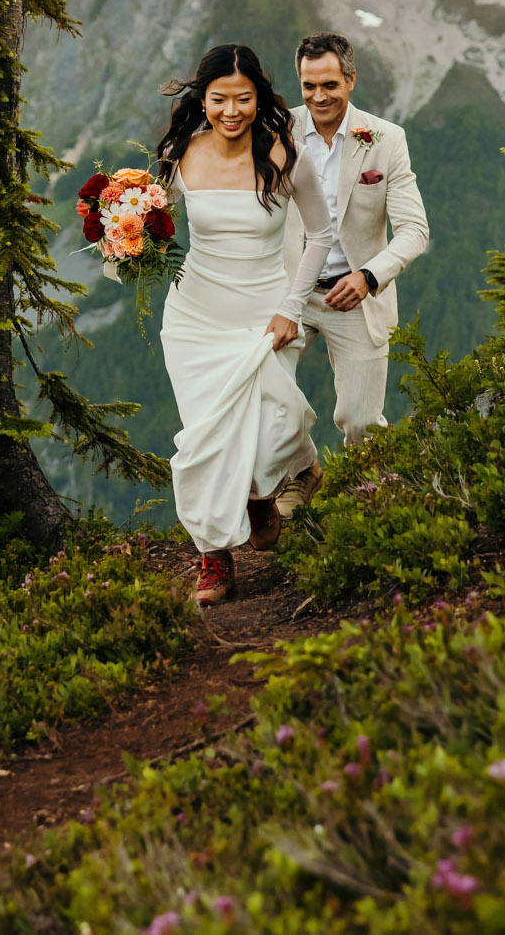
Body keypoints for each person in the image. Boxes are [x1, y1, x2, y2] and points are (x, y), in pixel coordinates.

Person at [148, 43, 337, 607]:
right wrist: (122, 228)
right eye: (219, 99)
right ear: (200, 99)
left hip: (264, 311)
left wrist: (292, 307)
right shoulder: (177, 152)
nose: (231, 111)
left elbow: (321, 236)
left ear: (260, 96)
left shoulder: (285, 153)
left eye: (243, 99)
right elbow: (156, 220)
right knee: (204, 440)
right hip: (194, 316)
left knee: (275, 425)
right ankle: (214, 563)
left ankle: (277, 483)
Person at [280, 32, 429, 511]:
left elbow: (414, 231)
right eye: (308, 86)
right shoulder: (276, 132)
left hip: (358, 298)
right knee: (269, 395)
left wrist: (368, 277)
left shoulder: (386, 139)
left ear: (350, 79)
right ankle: (303, 468)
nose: (318, 97)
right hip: (289, 294)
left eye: (329, 84)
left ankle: (370, 502)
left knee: (361, 421)